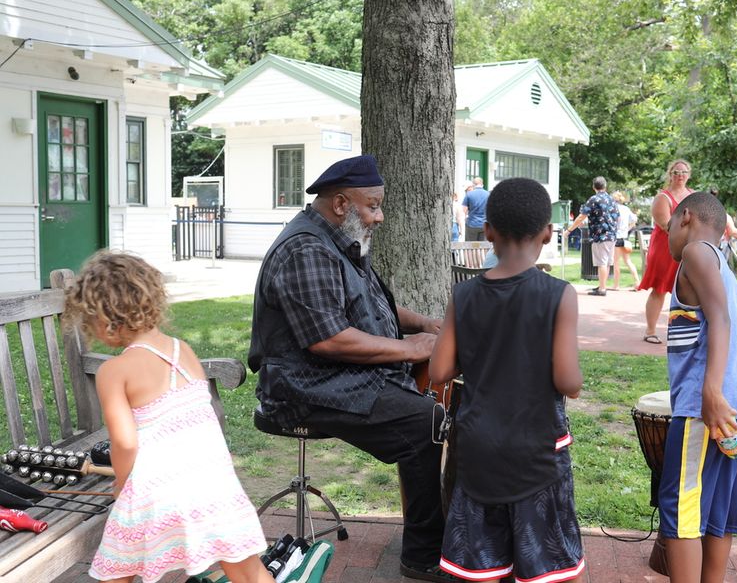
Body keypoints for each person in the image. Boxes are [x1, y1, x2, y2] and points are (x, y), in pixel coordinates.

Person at [247, 155, 451, 582]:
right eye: (372, 206)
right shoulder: (305, 250)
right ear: (341, 204)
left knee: (430, 415)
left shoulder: (335, 240)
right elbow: (330, 339)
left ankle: (436, 531)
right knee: (426, 423)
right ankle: (422, 554)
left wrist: (423, 324)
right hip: (302, 390)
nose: (379, 217)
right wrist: (408, 348)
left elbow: (371, 303)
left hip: (332, 378)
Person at [63, 251, 273, 583]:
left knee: (117, 569)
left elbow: (125, 442)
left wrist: (121, 483)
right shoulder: (182, 350)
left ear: (105, 319)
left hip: (156, 494)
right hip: (214, 486)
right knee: (248, 571)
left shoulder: (113, 371)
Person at [430, 178, 585, 583]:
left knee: (481, 568)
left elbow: (439, 372)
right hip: (538, 451)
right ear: (548, 233)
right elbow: (568, 381)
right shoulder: (559, 294)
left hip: (479, 449)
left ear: (490, 232)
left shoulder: (462, 296)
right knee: (544, 569)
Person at [659, 191, 737, 583]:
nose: (666, 235)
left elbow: (718, 320)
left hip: (711, 408)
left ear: (685, 217)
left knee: (682, 510)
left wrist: (712, 392)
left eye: (668, 226)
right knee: (716, 516)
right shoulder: (723, 266)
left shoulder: (697, 253)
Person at [637, 159, 694, 344]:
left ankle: (683, 333)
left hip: (686, 249)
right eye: (676, 172)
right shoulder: (663, 197)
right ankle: (650, 330)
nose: (680, 176)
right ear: (670, 174)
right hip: (665, 249)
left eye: (684, 172)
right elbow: (666, 225)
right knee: (659, 290)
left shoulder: (693, 195)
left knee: (686, 291)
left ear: (689, 175)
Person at [564, 176, 619, 296]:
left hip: (600, 236)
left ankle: (602, 289)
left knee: (602, 263)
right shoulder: (611, 200)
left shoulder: (594, 199)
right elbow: (617, 217)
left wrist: (569, 230)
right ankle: (602, 285)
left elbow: (581, 216)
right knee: (607, 262)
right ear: (605, 186)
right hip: (612, 235)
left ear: (594, 187)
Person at [611, 190, 640, 291]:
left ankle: (616, 285)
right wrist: (628, 229)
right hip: (624, 237)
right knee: (628, 261)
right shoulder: (626, 209)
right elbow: (634, 219)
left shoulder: (613, 209)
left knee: (616, 263)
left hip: (616, 238)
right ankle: (637, 282)